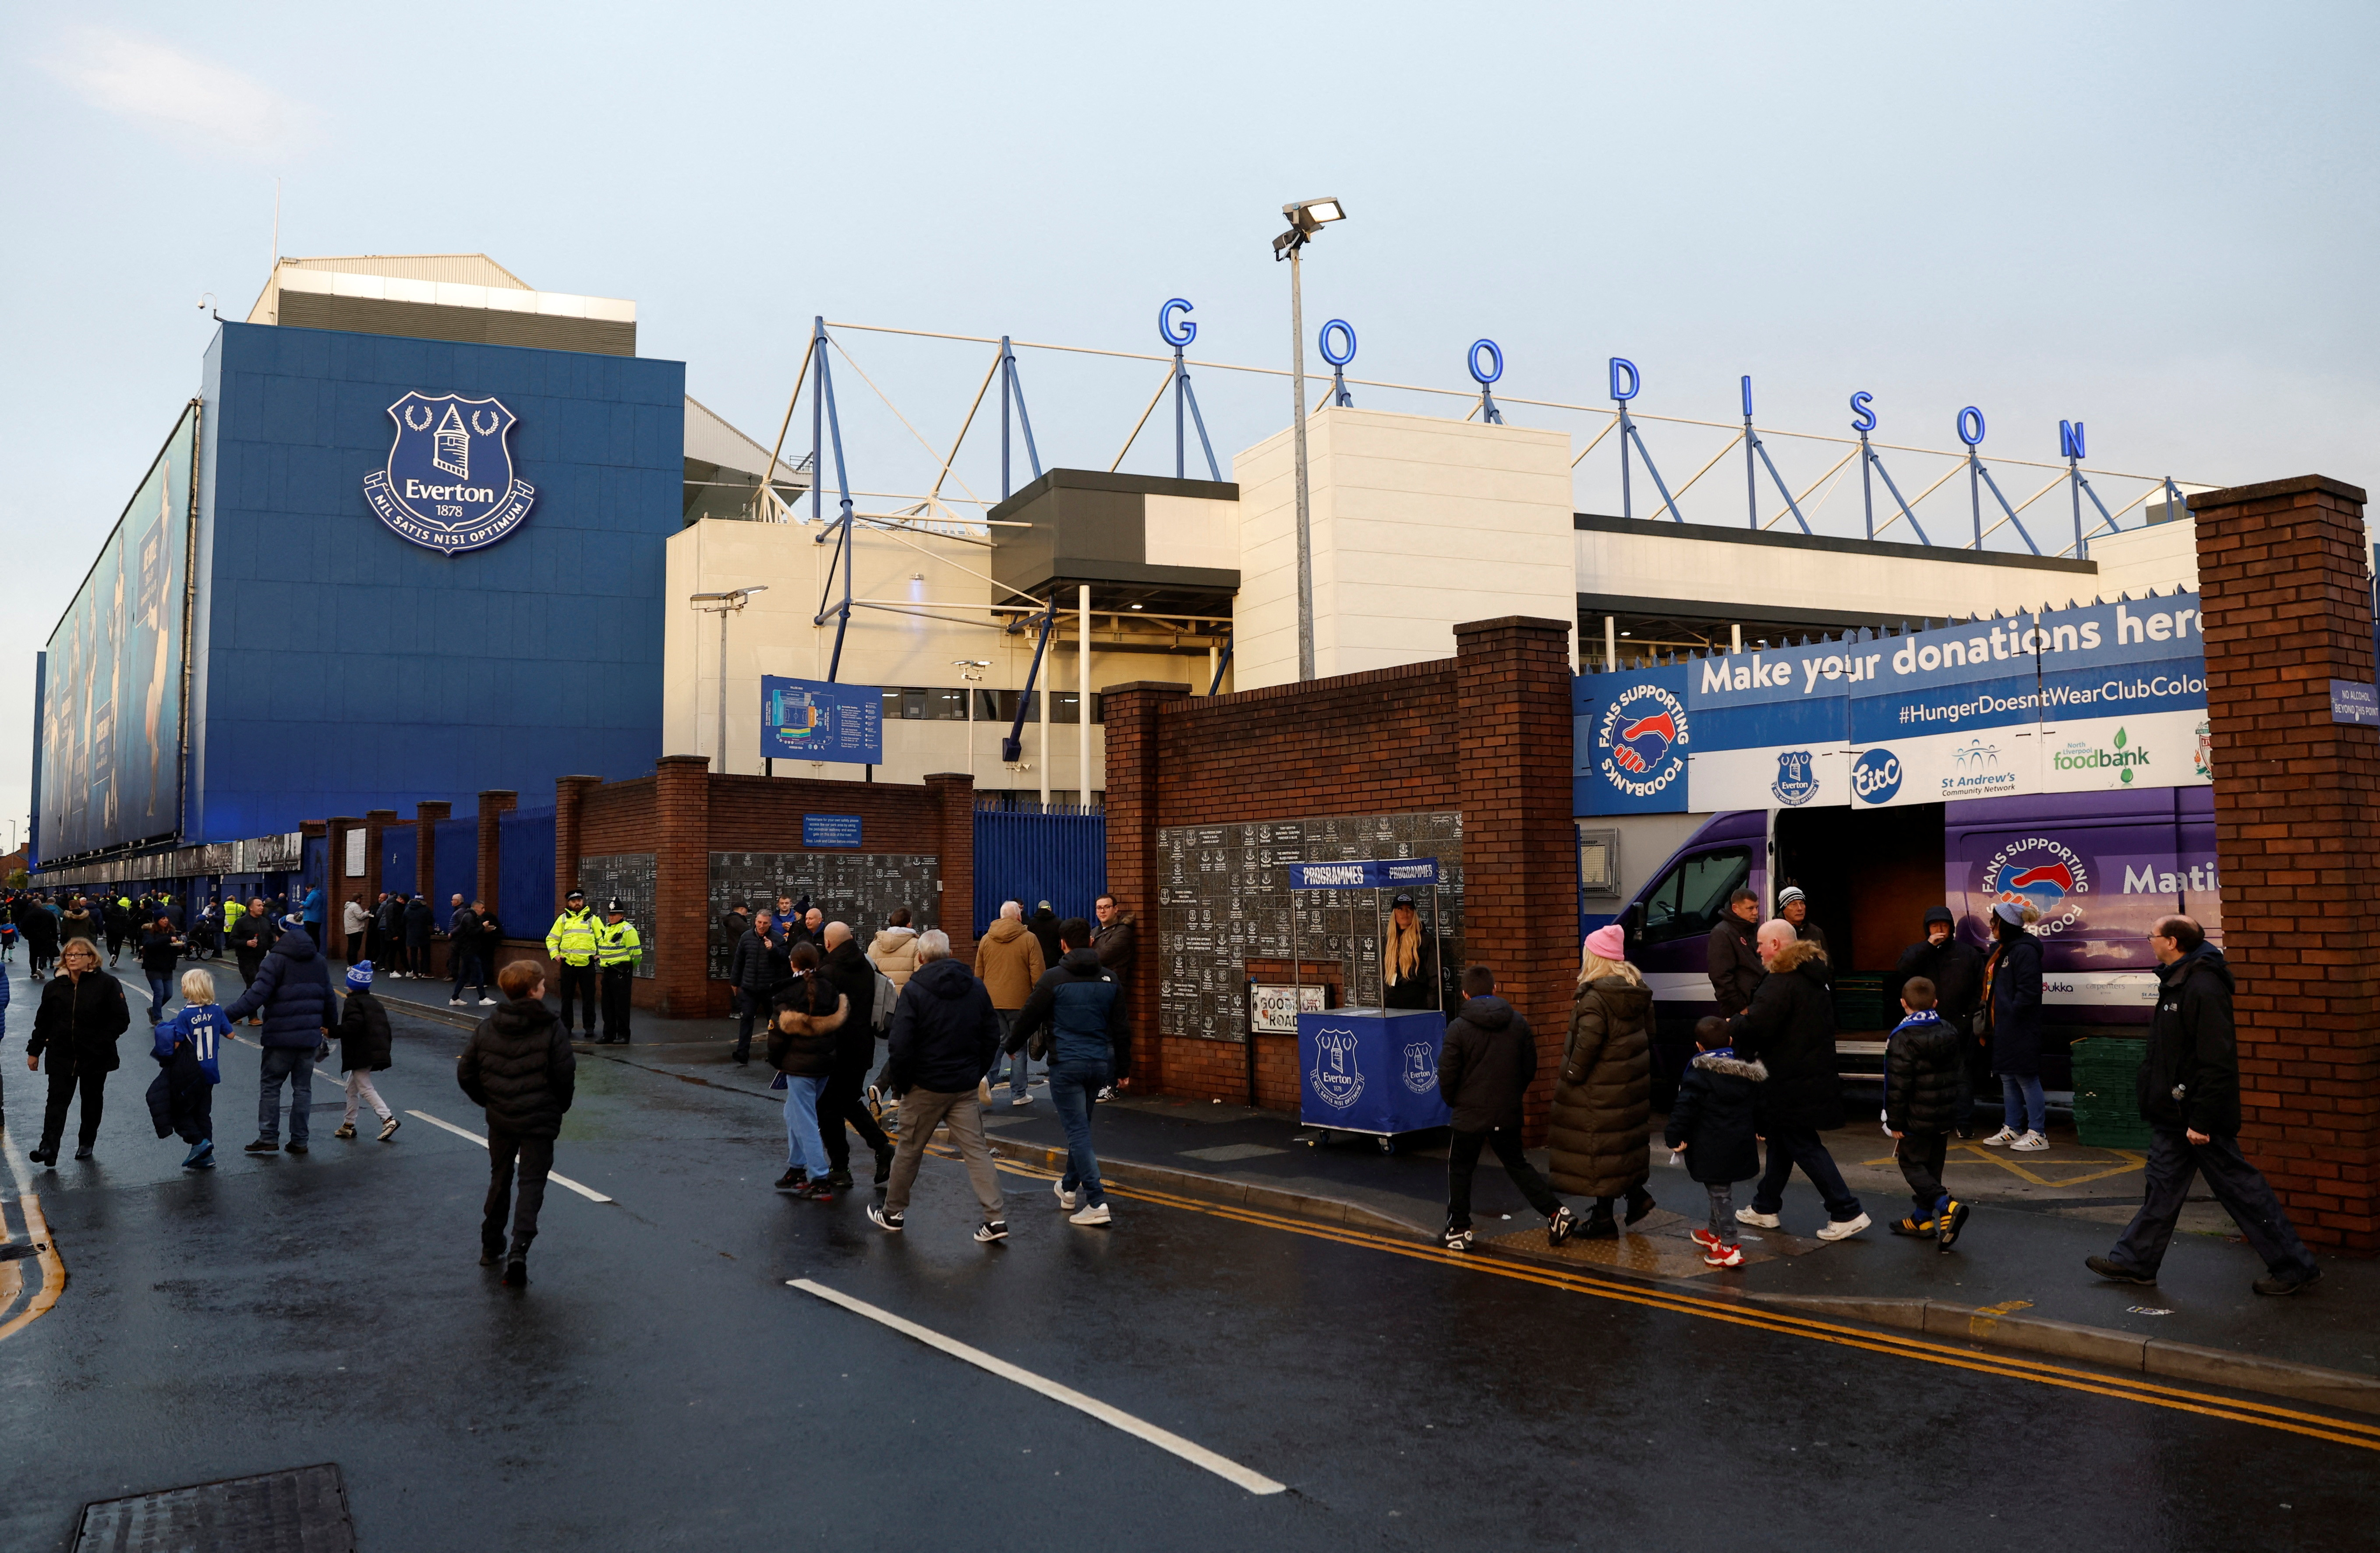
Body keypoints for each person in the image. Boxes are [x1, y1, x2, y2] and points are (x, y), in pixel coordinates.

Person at [2088, 915, 2320, 1297]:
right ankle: (2135, 1262)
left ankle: (2294, 1266)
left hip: (2198, 1118)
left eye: (2153, 936)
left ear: (2173, 942)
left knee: (2241, 1190)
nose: (2149, 941)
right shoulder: (2178, 980)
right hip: (2174, 1114)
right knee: (2161, 1188)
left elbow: (2216, 1061)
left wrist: (2201, 1119)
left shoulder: (2202, 985)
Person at [1727, 919, 1869, 1239]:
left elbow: (1758, 1026)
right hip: (1808, 1072)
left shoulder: (1781, 982)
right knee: (1782, 1141)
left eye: (1762, 943)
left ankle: (1845, 1210)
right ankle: (1765, 1207)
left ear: (1776, 945)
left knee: (1802, 1144)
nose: (1758, 949)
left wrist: (1734, 1022)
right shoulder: (1812, 977)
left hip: (1787, 1078)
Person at [870, 929, 1010, 1242]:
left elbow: (901, 1045)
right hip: (962, 1085)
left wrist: (904, 1084)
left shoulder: (916, 990)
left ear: (920, 957)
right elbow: (991, 1034)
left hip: (925, 1085)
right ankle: (996, 1218)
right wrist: (976, 1072)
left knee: (909, 1149)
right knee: (976, 1151)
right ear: (948, 954)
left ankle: (893, 1212)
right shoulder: (974, 986)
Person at [1437, 964, 1576, 1252]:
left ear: (1464, 994)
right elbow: (1529, 1067)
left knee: (1461, 1168)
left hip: (1469, 1112)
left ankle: (1458, 1230)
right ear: (1495, 989)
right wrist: (1511, 1095)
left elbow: (1447, 1074)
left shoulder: (1458, 1028)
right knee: (1517, 1164)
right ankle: (1556, 1213)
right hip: (1506, 1108)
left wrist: (1455, 1102)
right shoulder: (1518, 1023)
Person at [458, 960, 576, 1288]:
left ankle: (490, 1244)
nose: (545, 988)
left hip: (501, 1119)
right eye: (541, 984)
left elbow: (466, 1074)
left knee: (500, 1178)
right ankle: (519, 1251)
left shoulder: (488, 1026)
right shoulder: (552, 1027)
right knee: (532, 1183)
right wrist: (557, 1108)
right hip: (539, 1119)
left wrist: (490, 1102)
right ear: (532, 990)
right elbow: (564, 1075)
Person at [1007, 917, 1130, 1230]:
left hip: (1066, 1066)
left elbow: (1028, 1016)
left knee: (1077, 1132)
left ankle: (1097, 1201)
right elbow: (1121, 1029)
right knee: (1081, 1130)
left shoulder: (1053, 979)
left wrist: (1012, 1045)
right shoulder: (1111, 979)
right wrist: (1123, 1070)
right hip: (1097, 1066)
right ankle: (1067, 1187)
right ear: (1090, 942)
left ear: (1063, 944)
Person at [1549, 922, 1656, 1237]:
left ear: (1595, 958)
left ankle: (1604, 1221)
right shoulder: (1636, 988)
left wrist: (1570, 1075)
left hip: (1598, 1090)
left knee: (1599, 1152)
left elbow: (1585, 1048)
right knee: (1616, 1149)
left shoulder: (1595, 999)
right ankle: (1628, 1203)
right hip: (1627, 1086)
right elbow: (1649, 1035)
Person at [226, 914, 335, 1156]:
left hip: (280, 1038)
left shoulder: (275, 960)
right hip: (309, 1037)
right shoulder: (318, 960)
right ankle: (300, 1141)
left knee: (271, 1086)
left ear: (280, 934)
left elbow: (256, 996)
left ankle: (268, 1137)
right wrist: (331, 1025)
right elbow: (329, 996)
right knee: (303, 1089)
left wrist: (226, 1016)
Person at [1665, 1015, 1766, 1268]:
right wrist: (1763, 1127)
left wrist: (1674, 1137)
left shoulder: (1698, 1075)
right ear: (1730, 1041)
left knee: (1720, 1194)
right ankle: (1713, 1234)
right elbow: (1760, 1103)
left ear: (1699, 1046)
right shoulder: (1747, 1073)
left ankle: (1730, 1247)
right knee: (1718, 1190)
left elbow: (1684, 1109)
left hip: (1711, 1145)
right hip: (1738, 1143)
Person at [25, 938, 131, 1165]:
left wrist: (100, 1040)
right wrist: (34, 1051)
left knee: (91, 1101)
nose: (72, 959)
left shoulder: (107, 984)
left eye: (78, 955)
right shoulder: (54, 988)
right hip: (61, 1055)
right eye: (69, 955)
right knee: (56, 1103)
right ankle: (48, 1149)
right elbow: (43, 1023)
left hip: (95, 1056)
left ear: (91, 958)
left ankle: (86, 1142)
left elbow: (121, 1019)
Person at [1883, 976, 1970, 1249]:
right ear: (1935, 1003)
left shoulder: (1903, 1037)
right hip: (1943, 1114)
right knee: (1932, 1168)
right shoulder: (1949, 1029)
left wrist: (1894, 1121)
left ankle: (1947, 1205)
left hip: (1914, 1117)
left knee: (1911, 1164)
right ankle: (1922, 1220)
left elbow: (1898, 1085)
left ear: (1903, 1004)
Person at [1892, 905, 1988, 1137]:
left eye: (1944, 925)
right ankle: (1932, 1122)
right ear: (1927, 929)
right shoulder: (1918, 951)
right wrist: (1928, 947)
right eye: (1934, 926)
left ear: (1952, 928)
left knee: (1961, 1075)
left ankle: (1964, 1123)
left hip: (1959, 1023)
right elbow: (1902, 970)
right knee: (1926, 1077)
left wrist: (1969, 1016)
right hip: (1924, 1025)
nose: (1940, 930)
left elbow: (1980, 987)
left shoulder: (1967, 953)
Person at [817, 922, 895, 1188]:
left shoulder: (827, 972)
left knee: (828, 1107)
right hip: (862, 1046)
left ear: (828, 944)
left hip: (835, 1049)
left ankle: (840, 1166)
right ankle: (882, 1147)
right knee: (848, 1101)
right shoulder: (867, 965)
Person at [767, 944, 845, 1200]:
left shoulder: (788, 993)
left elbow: (778, 1036)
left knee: (806, 1120)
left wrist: (776, 1060)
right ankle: (797, 1168)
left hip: (798, 1066)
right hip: (824, 1065)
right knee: (794, 1114)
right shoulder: (830, 989)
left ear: (793, 964)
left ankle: (819, 1177)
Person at [1980, 900, 2049, 1151]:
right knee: (2008, 1078)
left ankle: (2038, 1133)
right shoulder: (2005, 949)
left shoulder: (2024, 951)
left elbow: (2028, 993)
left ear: (2005, 924)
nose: (1991, 926)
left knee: (2026, 1078)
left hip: (2019, 1027)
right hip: (2004, 1026)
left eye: (1994, 922)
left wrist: (2012, 1015)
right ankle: (2012, 1127)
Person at [149, 967, 227, 1169]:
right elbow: (231, 1034)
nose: (182, 988)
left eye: (184, 985)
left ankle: (199, 1143)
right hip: (211, 1070)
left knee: (177, 1108)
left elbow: (176, 1043)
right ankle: (206, 1155)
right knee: (203, 1112)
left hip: (191, 1070)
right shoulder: (217, 1010)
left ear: (191, 988)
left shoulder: (185, 1014)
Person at [974, 900, 1047, 1107]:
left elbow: (979, 974)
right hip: (1020, 1002)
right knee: (1019, 1047)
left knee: (998, 1042)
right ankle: (1019, 1094)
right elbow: (1038, 975)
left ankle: (986, 1079)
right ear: (1018, 917)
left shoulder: (986, 939)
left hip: (992, 1002)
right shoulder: (1029, 939)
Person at [332, 962, 399, 1142]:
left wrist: (332, 1032)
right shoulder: (374, 1002)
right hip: (375, 1048)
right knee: (351, 1088)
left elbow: (353, 1026)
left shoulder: (352, 1002)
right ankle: (348, 1125)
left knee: (365, 1087)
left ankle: (388, 1119)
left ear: (351, 985)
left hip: (363, 1051)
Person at [726, 907, 785, 1064]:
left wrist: (773, 949)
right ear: (755, 922)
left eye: (765, 923)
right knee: (746, 1020)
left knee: (773, 1023)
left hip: (770, 989)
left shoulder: (778, 939)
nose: (761, 926)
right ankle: (742, 1053)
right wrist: (735, 982)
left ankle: (774, 1054)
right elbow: (739, 961)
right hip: (750, 988)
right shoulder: (746, 937)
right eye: (759, 922)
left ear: (770, 924)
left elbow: (785, 960)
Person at [545, 888, 602, 1040]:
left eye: (579, 900)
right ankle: (566, 1027)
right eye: (574, 901)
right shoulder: (563, 919)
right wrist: (555, 955)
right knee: (566, 998)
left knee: (589, 998)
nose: (577, 903)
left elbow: (604, 938)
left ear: (583, 901)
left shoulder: (593, 919)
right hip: (568, 965)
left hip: (587, 965)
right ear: (569, 903)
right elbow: (552, 939)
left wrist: (600, 954)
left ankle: (589, 1027)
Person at [1705, 886, 1764, 1017]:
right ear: (1735, 909)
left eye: (1757, 907)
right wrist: (1741, 1008)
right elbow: (1721, 977)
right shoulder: (1722, 933)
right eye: (1750, 908)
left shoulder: (1754, 929)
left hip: (1759, 1005)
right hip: (1740, 1011)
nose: (1755, 912)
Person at [594, 899, 641, 1044]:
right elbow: (605, 949)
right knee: (607, 1006)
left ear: (621, 915)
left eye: (615, 914)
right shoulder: (607, 929)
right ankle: (609, 1034)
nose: (611, 917)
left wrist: (627, 968)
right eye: (610, 914)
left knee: (621, 1006)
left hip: (621, 971)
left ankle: (623, 1035)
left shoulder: (628, 930)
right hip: (607, 972)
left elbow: (637, 955)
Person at [226, 898, 277, 1027]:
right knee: (254, 986)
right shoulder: (241, 922)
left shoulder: (265, 922)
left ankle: (236, 1011)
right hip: (246, 959)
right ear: (250, 908)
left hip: (261, 959)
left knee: (255, 987)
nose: (262, 907)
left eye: (262, 905)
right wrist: (246, 943)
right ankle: (252, 1018)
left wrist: (278, 953)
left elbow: (271, 942)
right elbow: (232, 940)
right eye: (259, 905)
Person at [139, 912, 186, 1025]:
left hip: (167, 967)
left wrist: (181, 948)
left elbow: (176, 949)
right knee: (159, 992)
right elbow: (150, 945)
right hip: (153, 967)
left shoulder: (171, 932)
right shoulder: (149, 932)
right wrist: (168, 940)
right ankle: (157, 1018)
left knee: (169, 994)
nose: (166, 921)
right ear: (157, 920)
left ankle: (153, 1010)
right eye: (163, 919)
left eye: (167, 918)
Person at [867, 907, 922, 992]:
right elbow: (920, 975)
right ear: (909, 925)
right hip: (906, 998)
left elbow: (869, 973)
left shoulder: (874, 945)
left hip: (882, 998)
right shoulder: (917, 945)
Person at [448, 896, 487, 1008]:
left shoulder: (472, 917)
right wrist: (483, 928)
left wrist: (452, 933)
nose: (484, 910)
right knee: (479, 973)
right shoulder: (470, 917)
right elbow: (471, 932)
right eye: (482, 908)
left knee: (464, 975)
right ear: (476, 908)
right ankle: (483, 998)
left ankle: (455, 998)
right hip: (469, 950)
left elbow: (460, 928)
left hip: (469, 949)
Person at [1775, 884, 1827, 956]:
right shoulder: (1774, 932)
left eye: (1802, 903)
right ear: (1784, 909)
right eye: (1794, 904)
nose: (1800, 908)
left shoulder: (1816, 932)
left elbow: (1827, 963)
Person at [17, 893, 57, 980]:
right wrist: (54, 936)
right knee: (44, 953)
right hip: (45, 936)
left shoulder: (28, 915)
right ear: (41, 905)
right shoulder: (48, 914)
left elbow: (23, 926)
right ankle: (41, 968)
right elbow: (54, 926)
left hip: (33, 937)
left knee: (33, 954)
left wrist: (26, 936)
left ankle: (33, 972)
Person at [475, 902, 505, 1005]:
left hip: (486, 944)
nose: (483, 910)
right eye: (482, 908)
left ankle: (481, 985)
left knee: (482, 963)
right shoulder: (479, 917)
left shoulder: (485, 917)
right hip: (486, 944)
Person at [375, 892, 408, 975]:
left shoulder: (391, 905)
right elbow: (391, 921)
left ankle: (408, 970)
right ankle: (392, 971)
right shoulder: (394, 907)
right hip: (393, 933)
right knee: (392, 951)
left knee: (391, 950)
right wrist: (394, 934)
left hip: (390, 931)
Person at [403, 893, 434, 980]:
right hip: (423, 934)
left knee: (413, 955)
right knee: (425, 954)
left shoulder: (408, 910)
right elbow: (431, 921)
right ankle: (425, 972)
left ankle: (415, 974)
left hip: (411, 935)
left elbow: (403, 921)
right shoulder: (426, 910)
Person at [1026, 900, 1062, 969]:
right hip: (1054, 958)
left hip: (1036, 958)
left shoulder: (1032, 923)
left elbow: (1028, 941)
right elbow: (1062, 941)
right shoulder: (1058, 922)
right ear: (1050, 909)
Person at [343, 895, 370, 965]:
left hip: (349, 929)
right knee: (355, 948)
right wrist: (367, 912)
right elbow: (360, 916)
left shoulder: (348, 906)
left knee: (351, 947)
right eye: (361, 899)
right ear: (358, 899)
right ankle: (354, 964)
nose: (361, 901)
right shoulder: (355, 906)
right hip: (356, 930)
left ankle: (350, 964)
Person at [103, 896, 131, 964]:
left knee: (110, 945)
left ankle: (112, 954)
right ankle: (115, 961)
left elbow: (105, 918)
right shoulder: (123, 909)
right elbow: (127, 919)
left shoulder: (107, 909)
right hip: (121, 929)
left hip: (111, 929)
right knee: (118, 946)